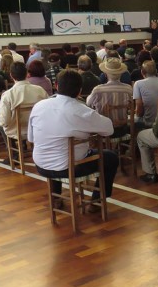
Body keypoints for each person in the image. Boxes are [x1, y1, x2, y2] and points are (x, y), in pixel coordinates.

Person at [29, 69, 119, 210]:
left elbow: (31, 138)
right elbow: (109, 129)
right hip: (68, 167)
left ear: (56, 85)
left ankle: (56, 197)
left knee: (57, 149)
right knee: (111, 158)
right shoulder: (81, 111)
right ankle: (96, 201)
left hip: (41, 165)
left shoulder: (39, 106)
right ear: (80, 91)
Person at [0, 61, 48, 140]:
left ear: (11, 75)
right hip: (37, 128)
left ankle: (14, 148)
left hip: (17, 131)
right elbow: (48, 110)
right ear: (27, 73)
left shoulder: (8, 95)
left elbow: (4, 121)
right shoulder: (40, 90)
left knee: (1, 125)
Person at [87, 58, 133, 138]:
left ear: (105, 74)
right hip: (122, 130)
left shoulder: (98, 90)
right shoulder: (128, 89)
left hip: (103, 131)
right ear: (121, 74)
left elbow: (88, 104)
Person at [132, 60, 158, 130]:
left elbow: (139, 110)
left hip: (148, 123)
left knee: (133, 120)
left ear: (142, 72)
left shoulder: (138, 84)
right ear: (156, 71)